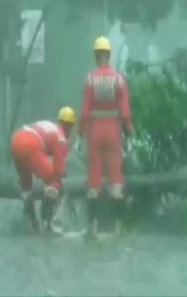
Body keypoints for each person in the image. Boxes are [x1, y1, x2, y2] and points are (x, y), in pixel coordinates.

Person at [75, 36, 134, 238]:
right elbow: (125, 112)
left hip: (94, 133)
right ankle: (118, 227)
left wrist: (80, 134)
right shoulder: (119, 79)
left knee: (94, 181)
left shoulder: (90, 79)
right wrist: (130, 133)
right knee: (116, 181)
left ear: (95, 56)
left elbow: (84, 111)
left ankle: (94, 228)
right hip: (114, 132)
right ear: (108, 55)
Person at [10, 107, 76, 234]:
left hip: (15, 141)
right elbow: (59, 171)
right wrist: (59, 180)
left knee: (26, 183)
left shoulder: (49, 125)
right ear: (70, 126)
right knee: (53, 183)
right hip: (31, 144)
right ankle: (49, 223)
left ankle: (30, 221)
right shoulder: (61, 137)